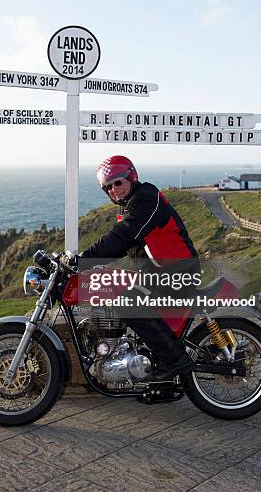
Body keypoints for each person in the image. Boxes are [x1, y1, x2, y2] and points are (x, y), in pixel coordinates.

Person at [80, 155, 201, 381]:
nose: (114, 189)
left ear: (131, 176)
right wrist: (88, 263)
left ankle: (175, 360)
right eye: (108, 187)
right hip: (159, 273)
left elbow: (123, 235)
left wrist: (85, 258)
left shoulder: (146, 198)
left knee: (128, 303)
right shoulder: (131, 206)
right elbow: (121, 246)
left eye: (118, 182)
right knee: (113, 291)